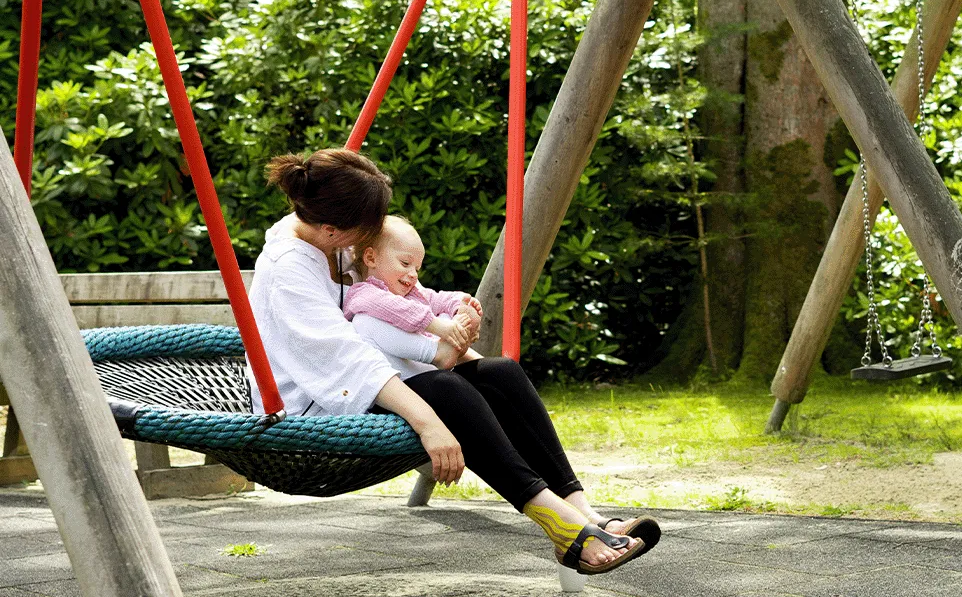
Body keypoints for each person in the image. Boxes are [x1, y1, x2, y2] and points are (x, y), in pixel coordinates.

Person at [247, 148, 659, 574]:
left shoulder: (332, 238)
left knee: (499, 373)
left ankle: (584, 513)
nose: (368, 239)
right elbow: (345, 359)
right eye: (363, 231)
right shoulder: (287, 270)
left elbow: (404, 297)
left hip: (378, 365)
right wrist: (430, 426)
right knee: (447, 391)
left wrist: (462, 348)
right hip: (312, 401)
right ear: (333, 229)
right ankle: (558, 524)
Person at [343, 215, 482, 376]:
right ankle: (438, 351)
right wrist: (435, 325)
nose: (413, 275)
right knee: (366, 320)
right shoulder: (362, 294)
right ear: (371, 258)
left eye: (417, 269)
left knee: (445, 313)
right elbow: (392, 307)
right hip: (403, 377)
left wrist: (460, 306)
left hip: (431, 368)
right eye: (405, 264)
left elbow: (437, 298)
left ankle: (452, 344)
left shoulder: (412, 292)